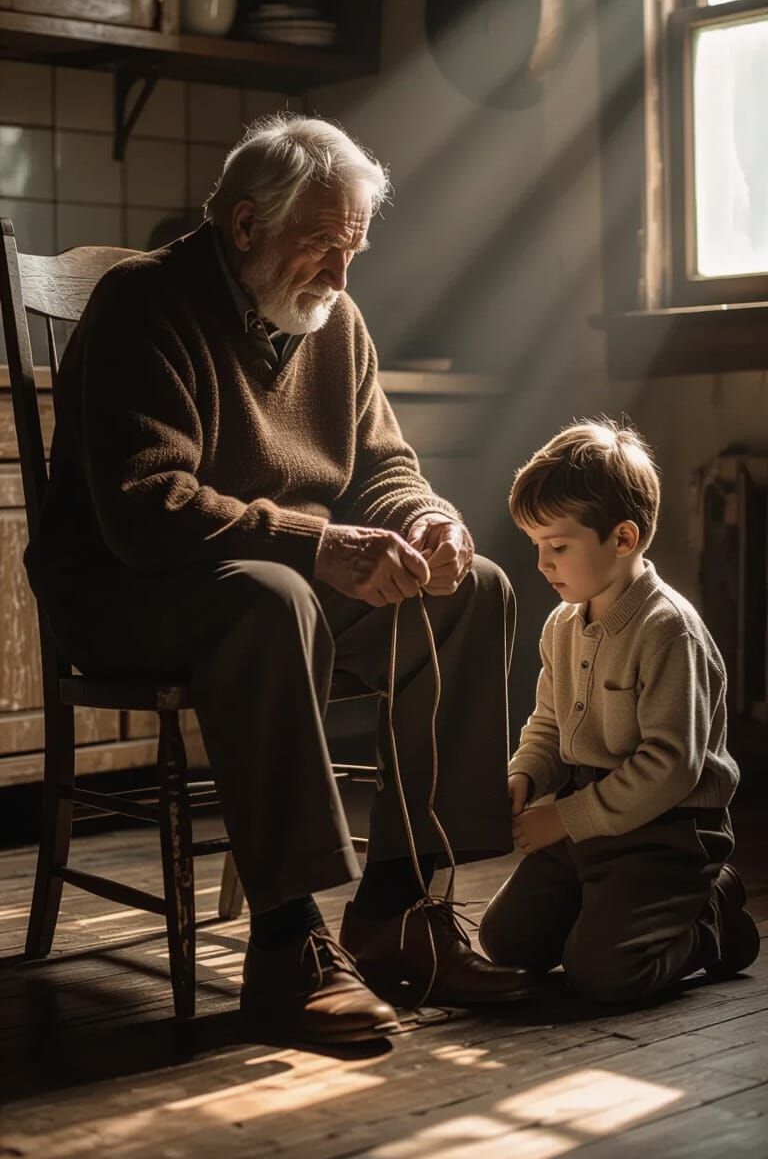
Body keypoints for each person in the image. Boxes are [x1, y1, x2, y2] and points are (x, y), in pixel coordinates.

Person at [26, 114, 533, 1045]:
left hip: (275, 577)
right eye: (322, 247)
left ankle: (397, 908)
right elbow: (148, 506)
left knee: (474, 590)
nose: (342, 278)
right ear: (246, 224)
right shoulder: (144, 302)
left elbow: (383, 466)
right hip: (134, 590)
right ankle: (288, 941)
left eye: (354, 250)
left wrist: (426, 518)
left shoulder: (338, 322)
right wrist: (317, 542)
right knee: (275, 596)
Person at [479, 419, 759, 1003]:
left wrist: (564, 818)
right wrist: (525, 774)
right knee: (506, 942)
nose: (542, 564)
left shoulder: (668, 630)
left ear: (624, 538)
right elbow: (550, 725)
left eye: (557, 547)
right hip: (587, 820)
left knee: (604, 975)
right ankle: (608, 905)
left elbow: (670, 768)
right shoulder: (562, 624)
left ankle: (710, 914)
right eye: (537, 546)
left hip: (667, 830)